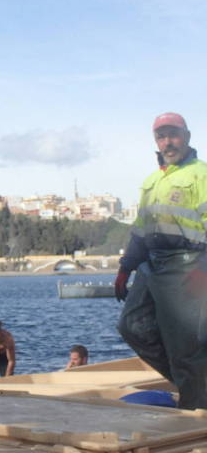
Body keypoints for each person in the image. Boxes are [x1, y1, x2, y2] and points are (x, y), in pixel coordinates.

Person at [116, 112, 207, 410]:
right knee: (132, 325)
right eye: (161, 136)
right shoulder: (152, 181)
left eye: (173, 134)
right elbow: (141, 231)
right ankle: (192, 384)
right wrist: (125, 268)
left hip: (189, 263)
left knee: (187, 347)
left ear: (187, 136)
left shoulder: (201, 174)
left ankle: (197, 411)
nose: (168, 142)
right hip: (152, 263)